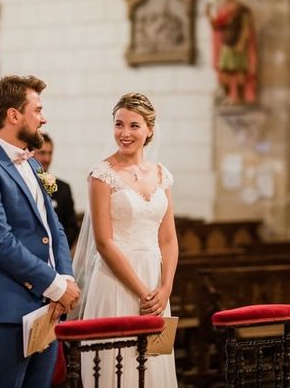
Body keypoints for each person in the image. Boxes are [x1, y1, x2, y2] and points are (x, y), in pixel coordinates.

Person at [0, 75, 79, 388]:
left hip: (45, 309)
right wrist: (54, 284)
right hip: (5, 311)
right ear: (13, 115)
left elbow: (55, 230)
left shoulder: (33, 165)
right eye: (37, 110)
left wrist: (65, 279)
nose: (43, 117)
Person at [73, 93, 179, 388]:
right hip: (116, 281)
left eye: (134, 126)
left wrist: (165, 287)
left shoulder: (162, 175)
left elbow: (168, 239)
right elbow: (104, 242)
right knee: (118, 364)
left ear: (149, 130)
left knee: (153, 364)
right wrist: (142, 292)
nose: (125, 133)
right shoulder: (102, 176)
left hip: (156, 284)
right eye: (119, 124)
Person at [206, 0, 258, 105]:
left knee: (239, 72)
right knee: (225, 72)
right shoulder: (223, 10)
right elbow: (216, 26)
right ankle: (230, 95)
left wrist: (242, 42)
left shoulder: (241, 10)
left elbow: (246, 27)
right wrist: (208, 14)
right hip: (226, 45)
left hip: (237, 45)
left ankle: (240, 97)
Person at [34, 133, 79, 248]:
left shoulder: (63, 188)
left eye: (50, 153)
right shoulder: (21, 185)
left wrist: (57, 248)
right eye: (42, 153)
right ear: (31, 153)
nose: (47, 159)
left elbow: (71, 227)